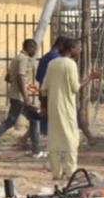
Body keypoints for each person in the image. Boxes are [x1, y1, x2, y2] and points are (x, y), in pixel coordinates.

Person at [40, 39, 100, 180]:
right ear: (72, 48)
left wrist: (44, 106)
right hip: (67, 108)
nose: (79, 51)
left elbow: (44, 89)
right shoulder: (70, 65)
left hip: (53, 107)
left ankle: (56, 172)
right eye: (78, 48)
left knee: (54, 138)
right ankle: (70, 172)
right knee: (71, 139)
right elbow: (76, 87)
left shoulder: (52, 63)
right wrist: (90, 77)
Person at [0, 39, 42, 157]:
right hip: (20, 98)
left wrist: (23, 86)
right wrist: (25, 95)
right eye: (35, 49)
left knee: (32, 119)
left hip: (16, 95)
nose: (35, 52)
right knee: (10, 122)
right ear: (29, 48)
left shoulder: (16, 58)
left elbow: (7, 78)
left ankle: (36, 150)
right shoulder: (24, 59)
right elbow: (20, 77)